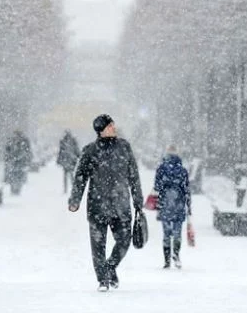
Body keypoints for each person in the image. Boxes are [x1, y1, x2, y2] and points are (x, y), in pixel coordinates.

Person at [68, 114, 144, 292]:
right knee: (98, 246)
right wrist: (74, 200)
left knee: (124, 241)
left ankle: (110, 267)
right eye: (110, 126)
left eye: (113, 125)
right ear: (101, 130)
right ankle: (102, 279)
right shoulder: (90, 151)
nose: (114, 128)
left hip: (121, 205)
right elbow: (80, 177)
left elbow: (133, 175)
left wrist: (138, 200)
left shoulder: (124, 147)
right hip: (97, 206)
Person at [153, 144, 191, 269]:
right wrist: (189, 207)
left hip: (165, 203)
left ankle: (167, 259)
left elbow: (157, 187)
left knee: (166, 233)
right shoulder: (183, 170)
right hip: (179, 204)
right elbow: (187, 190)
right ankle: (176, 254)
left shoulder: (161, 168)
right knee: (177, 232)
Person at [4, 130, 33, 195]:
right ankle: (16, 189)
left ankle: (15, 189)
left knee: (15, 175)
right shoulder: (23, 141)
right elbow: (28, 151)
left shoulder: (12, 140)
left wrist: (9, 158)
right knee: (17, 175)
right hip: (18, 161)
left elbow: (7, 151)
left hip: (16, 161)